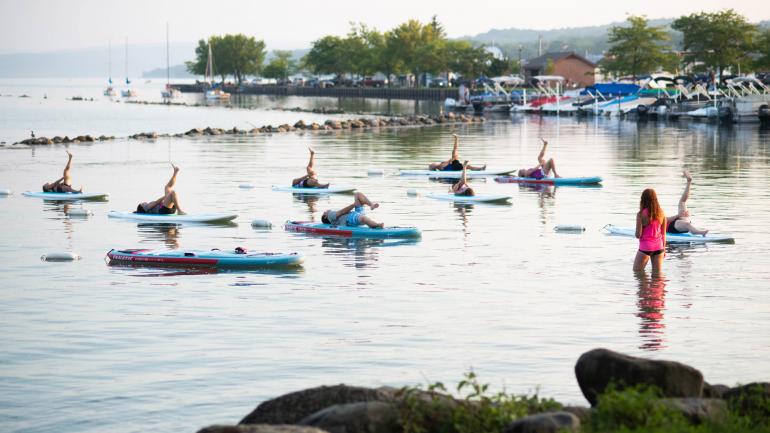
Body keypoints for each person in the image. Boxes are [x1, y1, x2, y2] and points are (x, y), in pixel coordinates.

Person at [633, 188, 666, 272]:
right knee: (657, 277)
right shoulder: (662, 213)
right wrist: (664, 249)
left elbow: (638, 235)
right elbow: (663, 234)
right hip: (659, 247)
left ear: (643, 199)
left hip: (645, 248)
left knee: (637, 273)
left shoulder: (641, 214)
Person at [666, 170, 708, 236]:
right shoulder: (648, 214)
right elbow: (663, 220)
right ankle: (699, 232)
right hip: (670, 227)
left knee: (682, 202)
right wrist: (678, 215)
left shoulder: (652, 211)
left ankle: (689, 181)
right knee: (687, 224)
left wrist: (679, 215)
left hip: (674, 224)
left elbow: (664, 219)